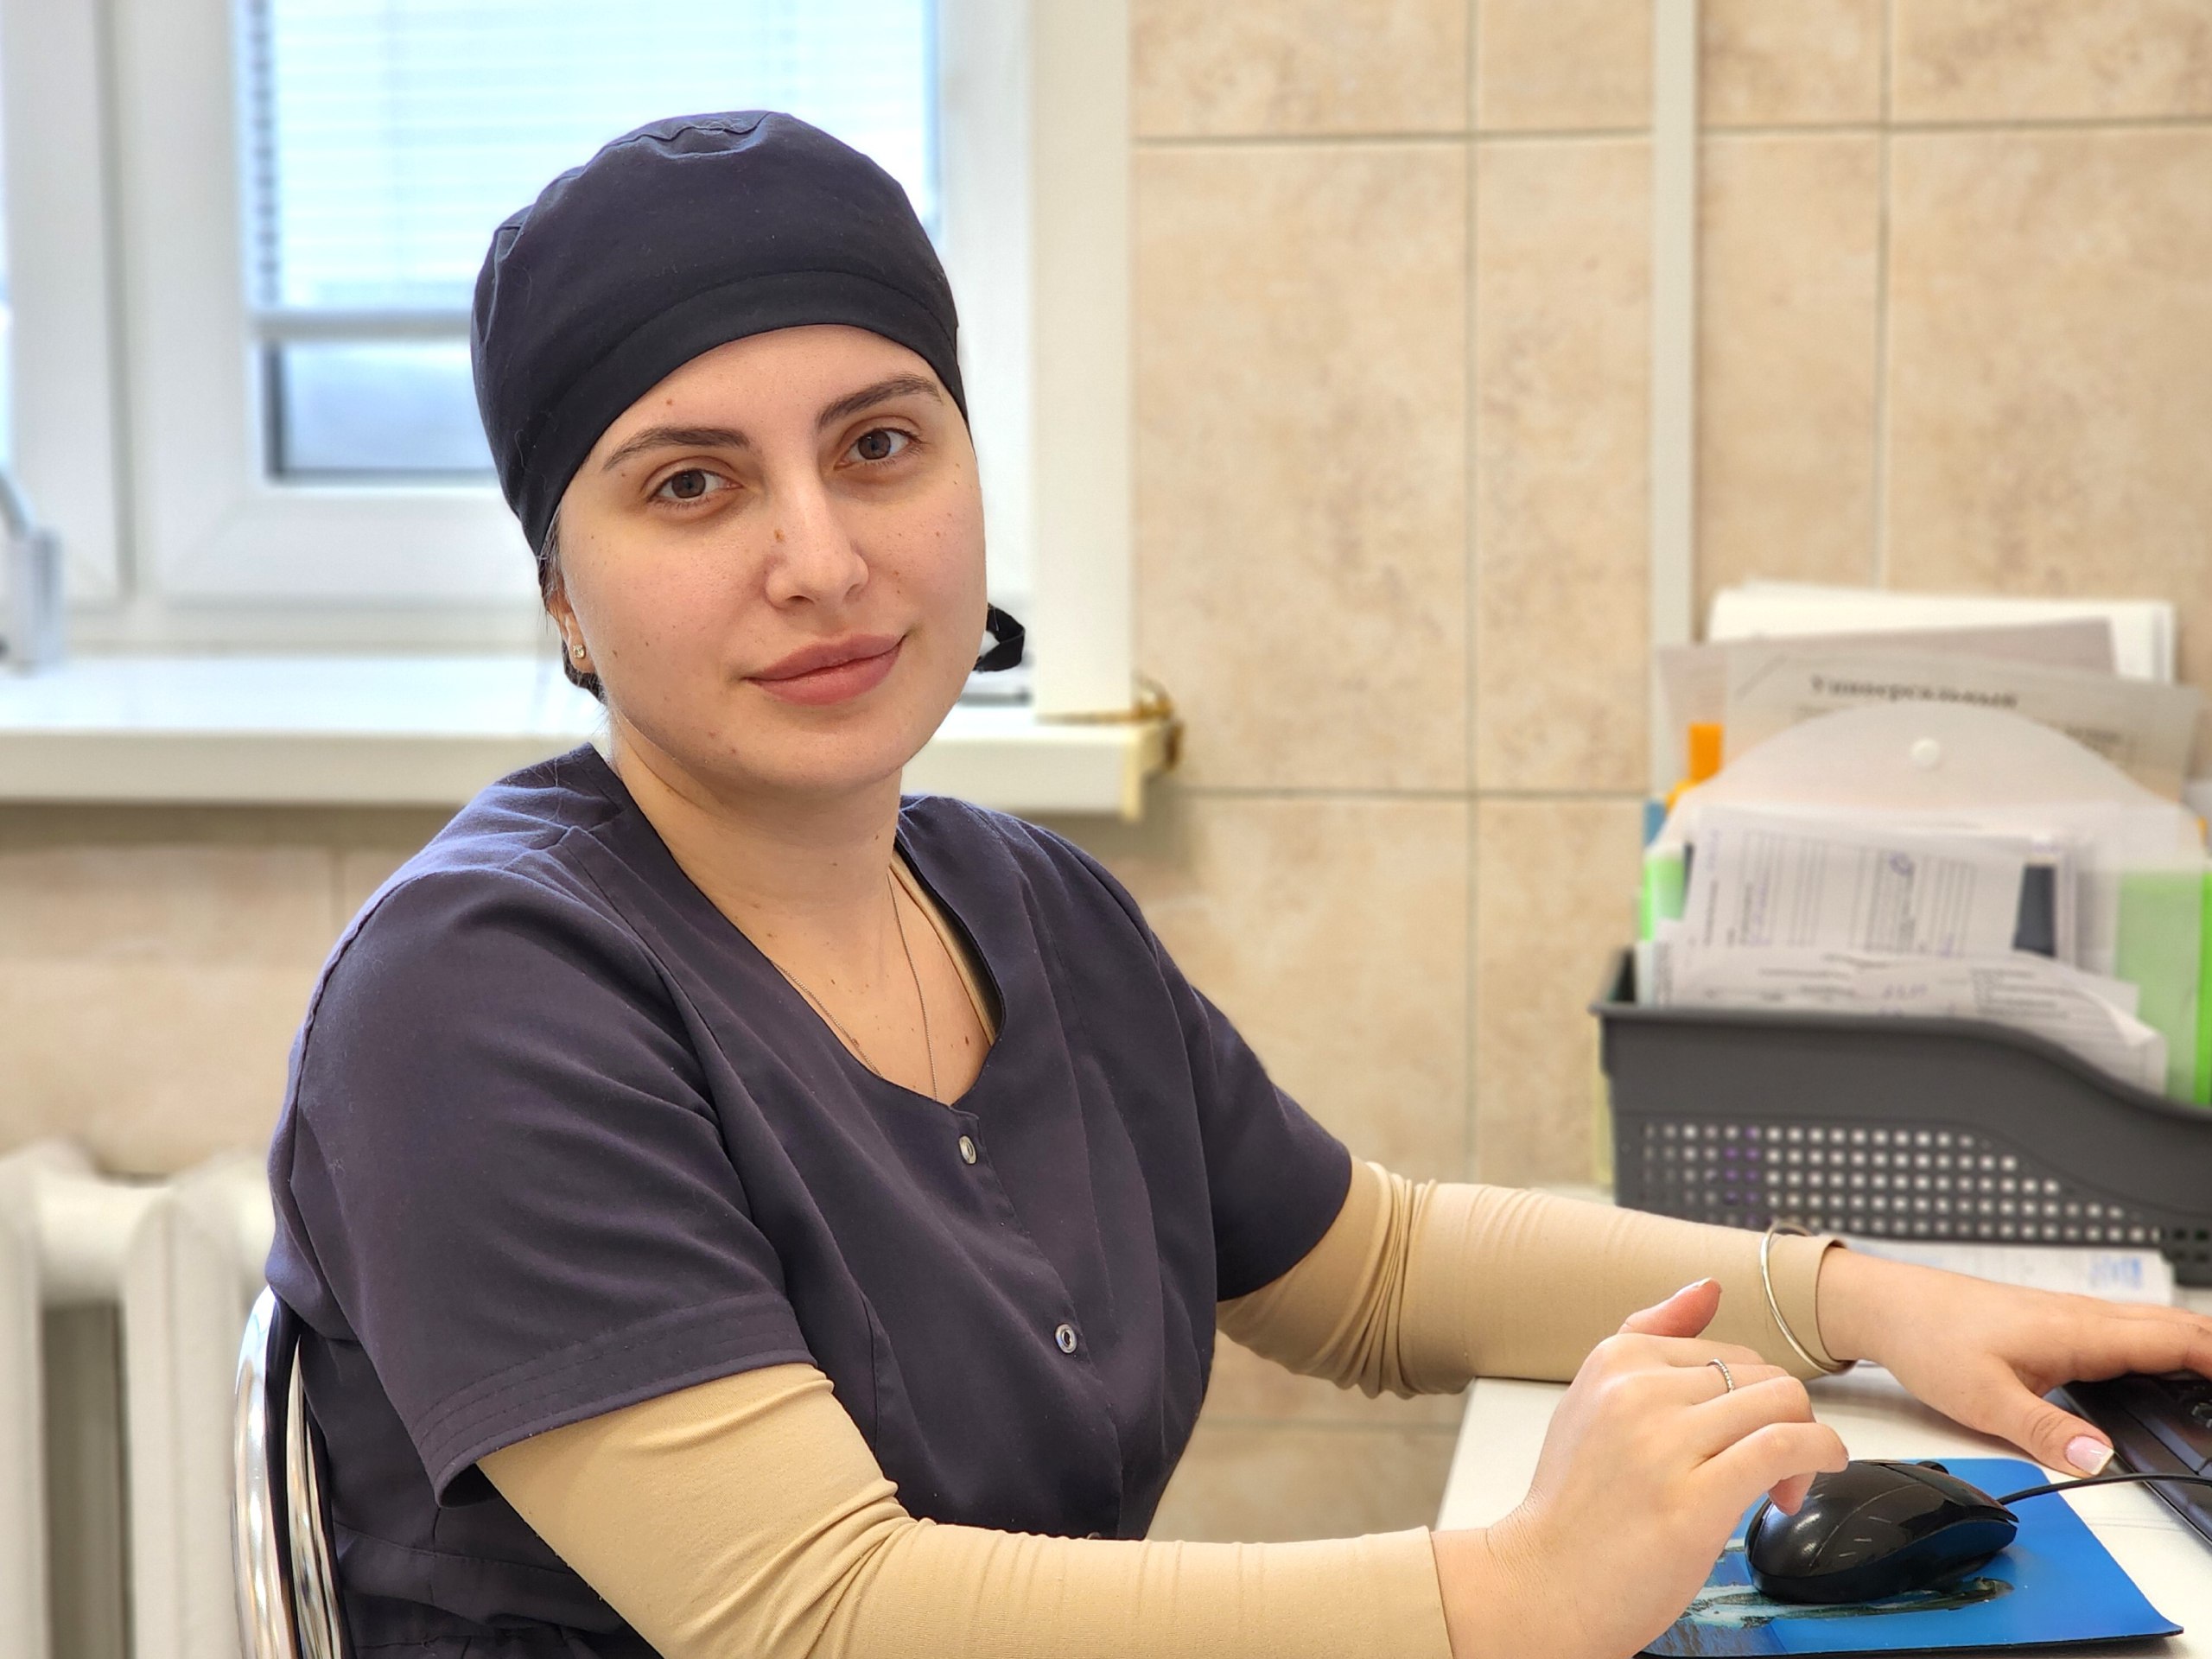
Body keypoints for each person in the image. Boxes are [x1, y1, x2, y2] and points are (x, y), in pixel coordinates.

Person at [264, 112, 2212, 1659]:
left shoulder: (1019, 904)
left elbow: (1369, 1267)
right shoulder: (482, 996)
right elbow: (820, 1614)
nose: (821, 559)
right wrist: (1504, 1595)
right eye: (690, 484)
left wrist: (1867, 1303)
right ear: (562, 596)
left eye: (879, 445)